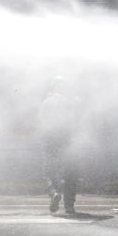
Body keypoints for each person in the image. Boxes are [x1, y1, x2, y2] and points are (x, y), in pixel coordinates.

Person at [39, 77, 81, 215]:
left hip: (51, 140)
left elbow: (42, 122)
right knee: (70, 173)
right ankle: (69, 206)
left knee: (48, 171)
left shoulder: (47, 102)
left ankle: (54, 192)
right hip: (68, 141)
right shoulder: (74, 101)